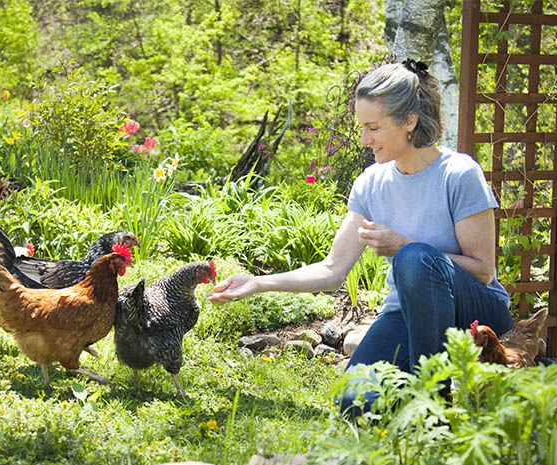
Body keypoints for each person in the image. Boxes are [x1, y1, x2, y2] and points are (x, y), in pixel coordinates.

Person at [207, 60, 512, 418]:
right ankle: (410, 397)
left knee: (413, 259)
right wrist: (257, 282)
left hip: (477, 311)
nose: (365, 140)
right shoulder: (371, 182)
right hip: (406, 314)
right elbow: (333, 269)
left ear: (409, 122)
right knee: (355, 403)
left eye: (373, 128)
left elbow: (481, 271)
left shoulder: (459, 174)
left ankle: (433, 412)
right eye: (362, 128)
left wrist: (404, 246)